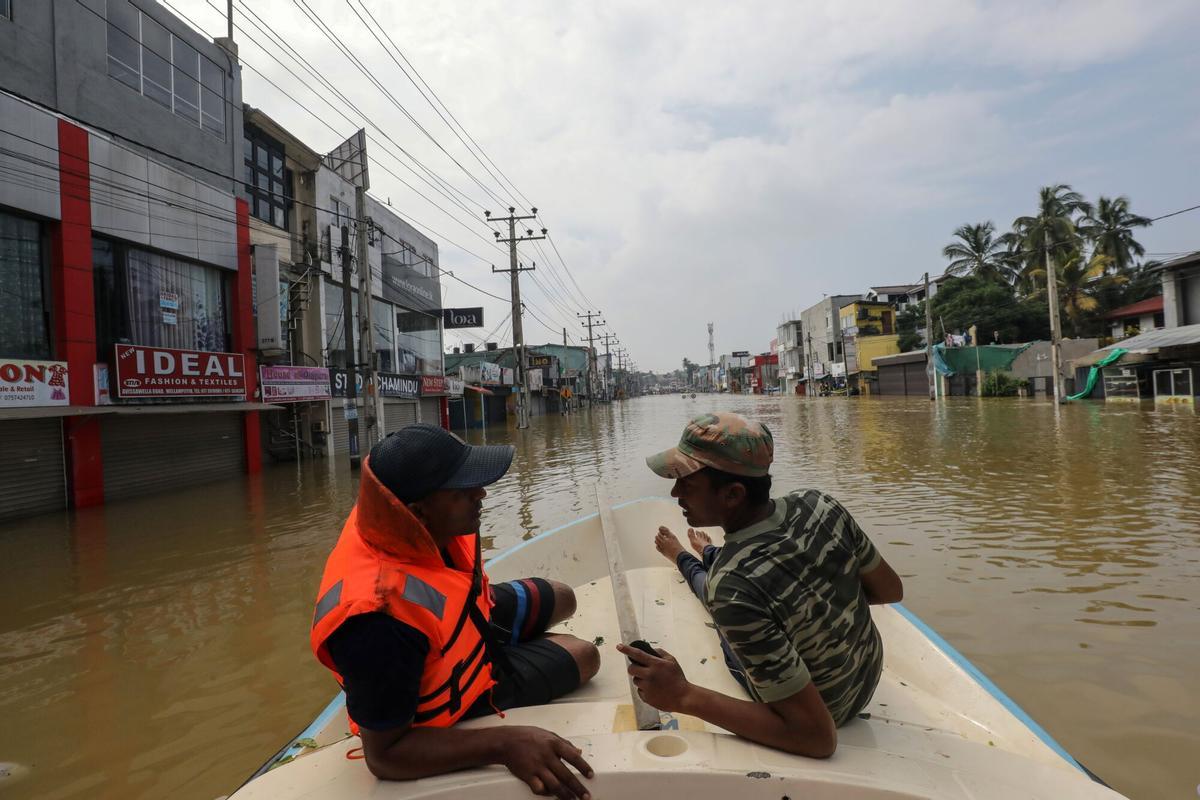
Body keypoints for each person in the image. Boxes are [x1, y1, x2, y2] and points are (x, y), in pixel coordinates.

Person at [310, 424, 599, 799]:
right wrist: (504, 744)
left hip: (464, 619)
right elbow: (385, 756)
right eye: (463, 490)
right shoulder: (375, 621)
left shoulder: (395, 508)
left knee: (564, 596)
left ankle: (509, 649)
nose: (481, 493)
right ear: (418, 512)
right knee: (584, 655)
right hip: (445, 690)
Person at [617, 412, 903, 759]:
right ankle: (705, 551)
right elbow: (890, 591)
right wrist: (816, 604)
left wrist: (683, 695)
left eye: (686, 483)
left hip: (829, 711)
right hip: (866, 680)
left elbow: (817, 738)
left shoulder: (732, 585)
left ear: (733, 494)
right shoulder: (821, 505)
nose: (675, 493)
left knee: (717, 597)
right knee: (735, 587)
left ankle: (690, 556)